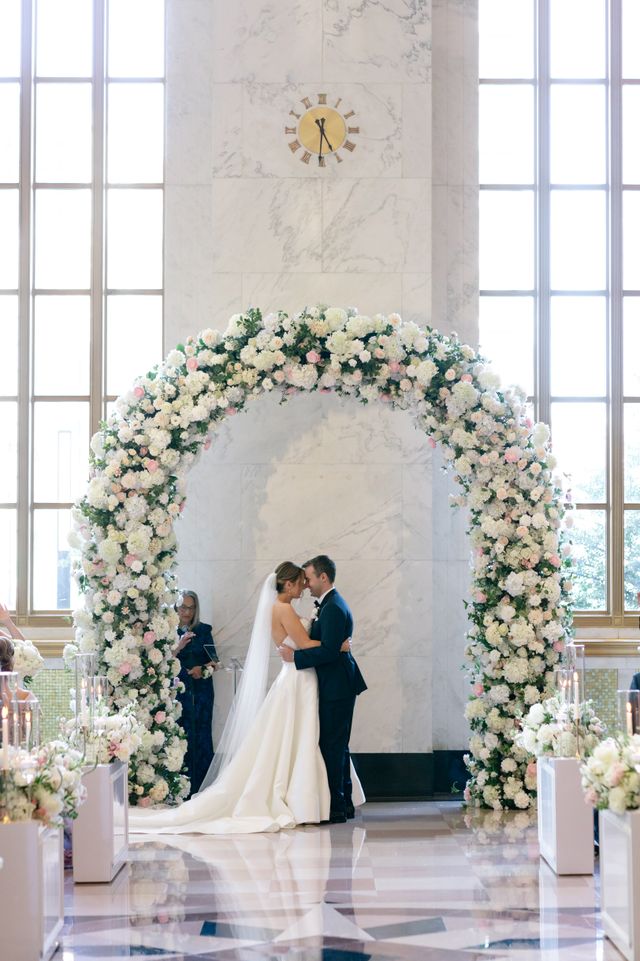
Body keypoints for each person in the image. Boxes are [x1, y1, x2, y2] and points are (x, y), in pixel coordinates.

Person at [129, 562, 363, 835]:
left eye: (306, 580)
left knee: (301, 737)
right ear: (288, 584)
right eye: (301, 581)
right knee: (299, 736)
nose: (304, 586)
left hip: (301, 676)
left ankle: (313, 798)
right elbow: (306, 644)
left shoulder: (284, 607)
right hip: (298, 678)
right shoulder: (284, 608)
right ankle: (305, 799)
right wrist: (339, 645)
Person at [279, 555, 367, 823]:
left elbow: (329, 651)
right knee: (337, 744)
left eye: (309, 577)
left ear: (323, 577)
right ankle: (343, 803)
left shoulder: (332, 608)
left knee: (332, 745)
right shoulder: (328, 605)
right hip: (335, 683)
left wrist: (296, 658)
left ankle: (336, 807)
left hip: (337, 685)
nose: (306, 583)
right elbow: (328, 645)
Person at [175, 591, 221, 796]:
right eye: (183, 607)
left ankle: (203, 787)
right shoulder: (167, 631)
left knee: (201, 735)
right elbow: (163, 661)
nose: (186, 612)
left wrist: (201, 670)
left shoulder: (203, 631)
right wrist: (179, 645)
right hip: (177, 692)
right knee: (180, 734)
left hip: (201, 692)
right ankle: (179, 787)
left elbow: (215, 661)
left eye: (190, 608)